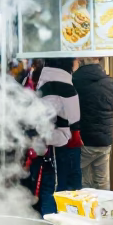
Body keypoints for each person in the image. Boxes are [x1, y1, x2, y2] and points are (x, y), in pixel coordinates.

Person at [73, 57, 113, 190]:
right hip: (105, 140)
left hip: (83, 140)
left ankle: (85, 209)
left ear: (81, 60)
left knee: (83, 181)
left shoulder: (74, 81)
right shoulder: (110, 82)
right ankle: (104, 209)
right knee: (102, 181)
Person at [39, 58, 83, 195]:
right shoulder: (64, 84)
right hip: (63, 143)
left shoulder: (43, 80)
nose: (78, 61)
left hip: (44, 143)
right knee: (68, 189)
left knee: (48, 186)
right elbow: (73, 118)